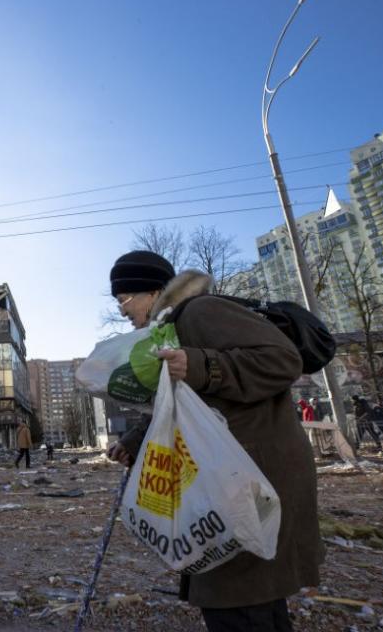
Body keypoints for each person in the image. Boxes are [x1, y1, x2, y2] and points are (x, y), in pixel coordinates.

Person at [104, 250, 323, 632]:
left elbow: (282, 360)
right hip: (233, 474)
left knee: (238, 604)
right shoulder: (170, 330)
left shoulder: (201, 311)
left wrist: (201, 365)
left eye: (123, 298)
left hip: (248, 479)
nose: (122, 309)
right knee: (250, 600)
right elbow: (187, 403)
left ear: (152, 291)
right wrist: (137, 439)